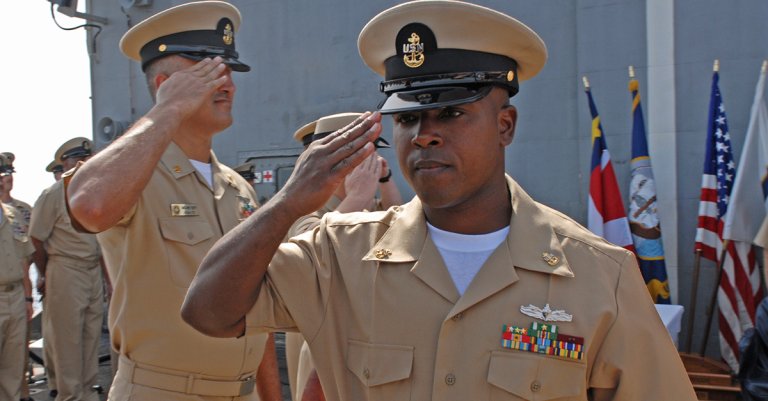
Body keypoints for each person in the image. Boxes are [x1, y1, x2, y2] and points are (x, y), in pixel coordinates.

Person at [182, 1, 699, 400]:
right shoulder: (336, 256)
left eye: (450, 113)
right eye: (407, 118)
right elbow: (206, 312)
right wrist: (290, 203)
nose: (423, 136)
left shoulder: (596, 275)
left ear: (505, 125)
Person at [65, 2, 280, 400]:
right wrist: (168, 109)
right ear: (165, 83)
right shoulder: (134, 176)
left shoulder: (238, 189)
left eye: (229, 71)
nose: (227, 83)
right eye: (208, 71)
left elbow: (253, 309)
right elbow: (89, 206)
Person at [284, 112, 402, 401]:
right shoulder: (306, 208)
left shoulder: (363, 209)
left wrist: (384, 179)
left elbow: (401, 223)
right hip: (322, 348)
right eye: (362, 159)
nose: (368, 168)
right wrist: (358, 196)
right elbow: (311, 251)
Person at [29, 137, 109, 401]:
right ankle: (70, 395)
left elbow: (100, 239)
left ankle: (87, 391)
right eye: (77, 160)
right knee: (67, 341)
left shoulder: (96, 191)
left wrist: (108, 281)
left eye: (87, 159)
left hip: (91, 272)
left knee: (90, 336)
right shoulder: (52, 196)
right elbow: (36, 240)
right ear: (65, 164)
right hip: (66, 269)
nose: (83, 164)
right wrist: (46, 273)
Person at [0, 153, 34, 401]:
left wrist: (27, 298)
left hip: (15, 298)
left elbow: (24, 261)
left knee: (13, 368)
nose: (3, 180)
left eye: (4, 175)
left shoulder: (14, 213)